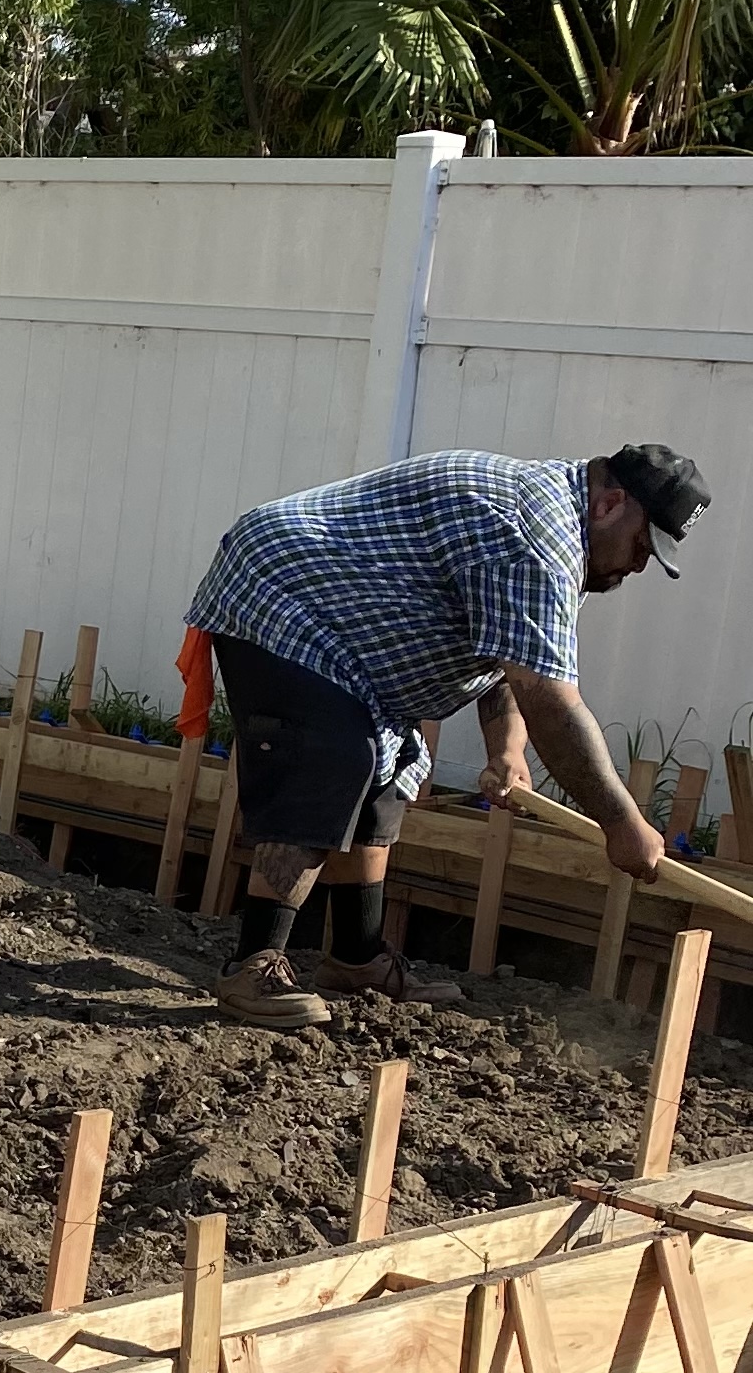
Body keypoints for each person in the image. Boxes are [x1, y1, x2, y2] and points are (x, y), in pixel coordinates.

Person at [184, 441, 707, 1031]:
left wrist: (504, 750)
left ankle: (358, 959)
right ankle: (251, 967)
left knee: (383, 773)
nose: (638, 566)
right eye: (643, 546)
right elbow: (552, 702)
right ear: (610, 504)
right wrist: (620, 820)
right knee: (328, 761)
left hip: (346, 639)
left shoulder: (557, 535)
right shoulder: (534, 539)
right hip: (283, 595)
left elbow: (511, 657)